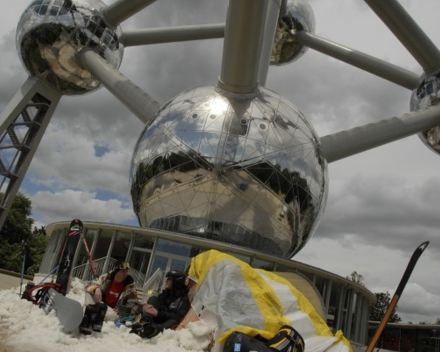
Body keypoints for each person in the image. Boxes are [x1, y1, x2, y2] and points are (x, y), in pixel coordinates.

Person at [80, 261, 137, 334]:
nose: (125, 274)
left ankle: (91, 316)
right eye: (123, 271)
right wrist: (96, 288)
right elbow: (88, 286)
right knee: (89, 293)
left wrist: (122, 309)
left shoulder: (129, 285)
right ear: (116, 271)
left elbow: (134, 302)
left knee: (111, 315)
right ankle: (89, 315)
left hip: (111, 311)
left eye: (127, 271)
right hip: (99, 305)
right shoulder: (107, 277)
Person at [130, 270, 190, 339]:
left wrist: (158, 313)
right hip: (157, 319)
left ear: (176, 282)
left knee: (174, 321)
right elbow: (155, 306)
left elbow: (178, 317)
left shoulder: (183, 299)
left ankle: (151, 329)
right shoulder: (165, 294)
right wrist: (143, 307)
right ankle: (144, 323)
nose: (166, 281)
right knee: (153, 299)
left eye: (169, 279)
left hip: (165, 325)